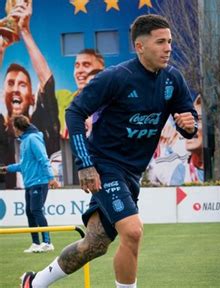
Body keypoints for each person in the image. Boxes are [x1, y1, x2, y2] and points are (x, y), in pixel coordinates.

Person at [20, 15, 198, 288]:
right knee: (133, 231)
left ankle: (34, 283)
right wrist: (85, 165)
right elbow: (75, 112)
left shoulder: (173, 79)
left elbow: (189, 123)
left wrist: (190, 125)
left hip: (132, 173)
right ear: (140, 46)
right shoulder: (116, 77)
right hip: (104, 165)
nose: (168, 48)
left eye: (170, 42)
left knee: (95, 244)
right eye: (161, 42)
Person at [0, 2, 59, 189]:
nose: (16, 89)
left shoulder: (40, 130)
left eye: (22, 84)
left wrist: (24, 31)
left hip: (41, 189)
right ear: (3, 95)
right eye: (10, 83)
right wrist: (1, 45)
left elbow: (47, 82)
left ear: (33, 97)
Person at [0, 115, 59, 253]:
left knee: (36, 210)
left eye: (13, 126)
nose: (12, 129)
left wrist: (51, 178)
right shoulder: (24, 141)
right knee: (30, 212)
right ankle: (36, 243)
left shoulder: (33, 139)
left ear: (17, 127)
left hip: (39, 181)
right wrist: (7, 168)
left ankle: (47, 243)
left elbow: (43, 159)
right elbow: (24, 165)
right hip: (30, 183)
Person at [56, 49, 104, 139]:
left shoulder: (110, 105)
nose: (79, 71)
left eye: (86, 65)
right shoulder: (63, 96)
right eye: (77, 66)